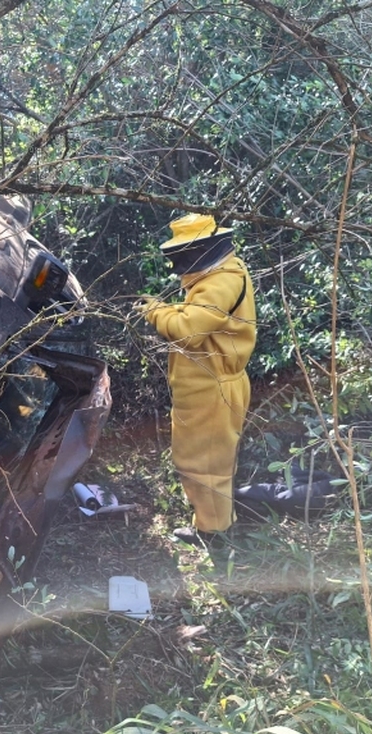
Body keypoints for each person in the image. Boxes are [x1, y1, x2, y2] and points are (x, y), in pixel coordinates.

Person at [140, 213, 257, 544]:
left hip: (213, 390)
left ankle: (215, 535)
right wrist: (168, 309)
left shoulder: (221, 281)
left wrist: (154, 310)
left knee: (205, 467)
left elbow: (189, 331)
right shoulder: (221, 274)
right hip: (207, 387)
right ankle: (214, 523)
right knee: (206, 463)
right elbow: (201, 317)